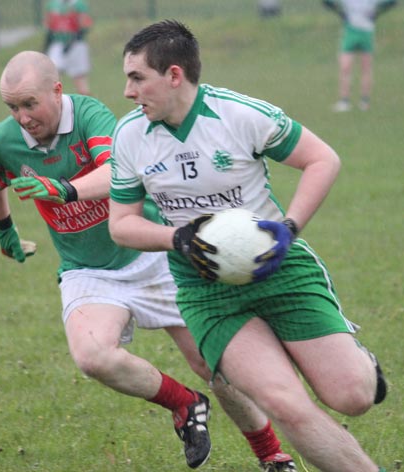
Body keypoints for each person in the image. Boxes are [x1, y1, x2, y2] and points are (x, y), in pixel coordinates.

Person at [0, 50, 299, 471]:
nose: (22, 116)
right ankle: (185, 405)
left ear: (57, 91)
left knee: (210, 363)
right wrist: (3, 226)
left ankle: (272, 455)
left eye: (30, 104)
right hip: (88, 270)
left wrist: (64, 189)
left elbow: (116, 172)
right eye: (12, 107)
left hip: (151, 254)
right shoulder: (2, 140)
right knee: (93, 356)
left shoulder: (89, 114)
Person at [107, 20, 389, 472]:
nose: (127, 91)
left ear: (174, 75)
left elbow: (322, 159)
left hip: (280, 266)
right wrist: (176, 238)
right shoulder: (129, 136)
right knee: (287, 404)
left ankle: (358, 362)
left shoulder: (240, 115)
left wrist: (290, 227)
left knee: (352, 396)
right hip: (206, 290)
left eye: (137, 77)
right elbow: (121, 226)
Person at [323, 0, 397, 112]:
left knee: (366, 67)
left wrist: (377, 13)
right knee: (345, 67)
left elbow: (392, 2)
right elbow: (327, 2)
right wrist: (341, 13)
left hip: (366, 31)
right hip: (350, 31)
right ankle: (344, 101)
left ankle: (364, 101)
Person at [44, 0, 93, 95]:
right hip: (57, 45)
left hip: (76, 45)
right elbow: (49, 27)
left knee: (80, 81)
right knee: (53, 78)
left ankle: (86, 105)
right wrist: (45, 47)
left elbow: (83, 27)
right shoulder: (52, 5)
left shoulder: (79, 5)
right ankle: (55, 105)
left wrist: (70, 44)